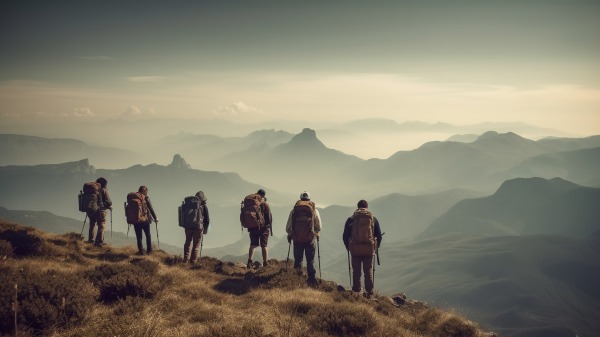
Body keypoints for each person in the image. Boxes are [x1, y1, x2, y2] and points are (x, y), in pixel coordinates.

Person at [342, 199, 383, 297]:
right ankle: (369, 292)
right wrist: (376, 247)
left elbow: (345, 235)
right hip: (368, 249)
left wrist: (348, 247)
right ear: (367, 207)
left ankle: (356, 291)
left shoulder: (351, 219)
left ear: (358, 207)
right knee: (368, 271)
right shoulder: (373, 219)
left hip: (355, 249)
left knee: (356, 271)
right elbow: (379, 235)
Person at [286, 191, 322, 285]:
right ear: (309, 199)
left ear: (300, 199)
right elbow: (319, 227)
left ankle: (297, 279)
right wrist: (315, 232)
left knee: (298, 260)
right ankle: (312, 280)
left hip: (297, 239)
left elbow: (288, 227)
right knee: (310, 260)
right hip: (310, 240)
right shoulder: (314, 210)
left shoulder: (294, 211)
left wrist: (291, 234)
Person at [246, 189, 272, 268]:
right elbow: (269, 218)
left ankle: (249, 261)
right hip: (263, 228)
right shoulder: (264, 204)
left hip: (253, 227)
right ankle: (265, 263)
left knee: (253, 244)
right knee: (264, 245)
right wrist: (268, 225)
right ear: (263, 195)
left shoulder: (251, 202)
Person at [183, 191, 210, 263]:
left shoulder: (188, 204)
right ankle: (193, 261)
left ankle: (185, 259)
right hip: (198, 228)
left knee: (187, 242)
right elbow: (207, 219)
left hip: (188, 226)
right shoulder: (203, 206)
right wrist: (205, 230)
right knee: (196, 245)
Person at [133, 186, 159, 255]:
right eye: (146, 191)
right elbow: (151, 208)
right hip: (144, 220)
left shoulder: (134, 198)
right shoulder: (145, 198)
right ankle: (149, 251)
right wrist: (155, 218)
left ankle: (141, 251)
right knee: (148, 235)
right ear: (145, 191)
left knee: (139, 237)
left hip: (136, 220)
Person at [88, 177, 112, 246]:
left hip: (91, 210)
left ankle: (90, 240)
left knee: (92, 224)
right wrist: (108, 206)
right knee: (101, 225)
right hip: (100, 211)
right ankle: (99, 242)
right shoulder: (103, 190)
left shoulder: (92, 190)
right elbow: (109, 202)